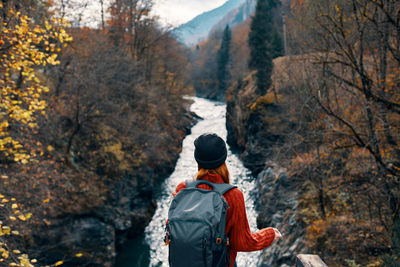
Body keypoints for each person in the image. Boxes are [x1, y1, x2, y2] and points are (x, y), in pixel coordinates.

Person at [171, 133, 282, 267]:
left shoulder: (182, 189)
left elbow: (172, 230)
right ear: (223, 159)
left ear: (197, 160)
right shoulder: (233, 195)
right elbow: (242, 242)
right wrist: (269, 235)